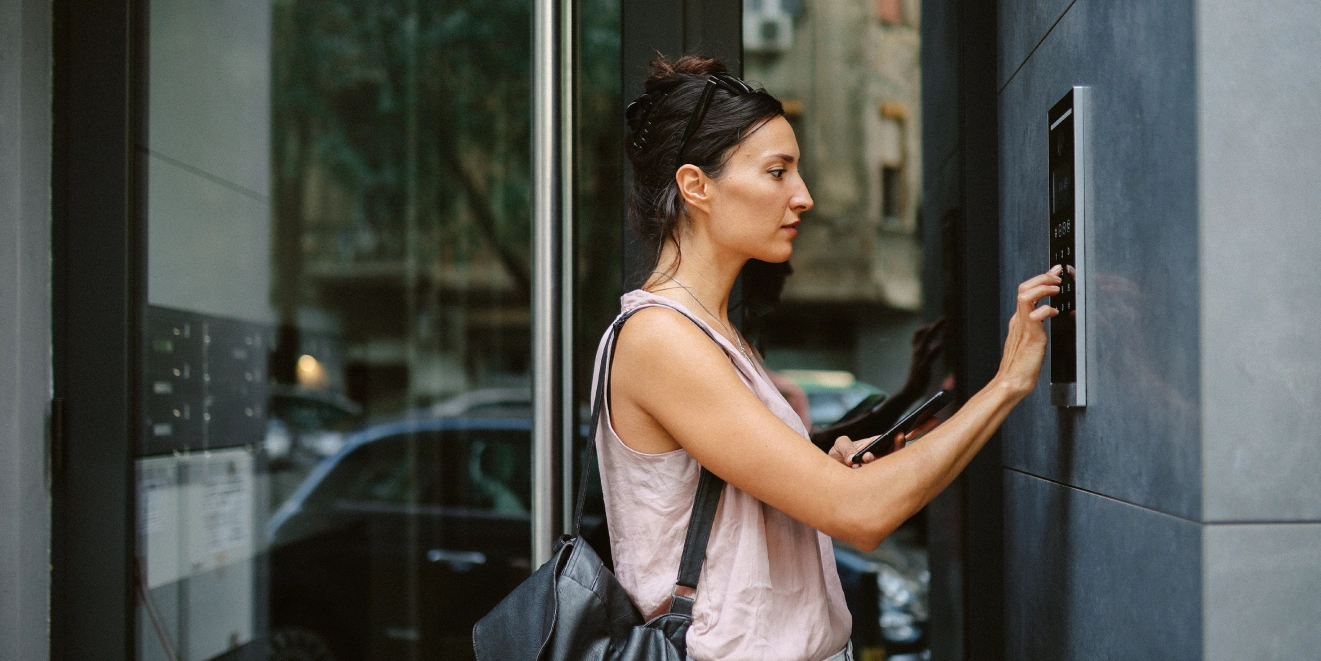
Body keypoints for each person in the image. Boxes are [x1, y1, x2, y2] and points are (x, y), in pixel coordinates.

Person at [594, 55, 1061, 661]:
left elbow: (769, 501)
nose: (804, 196)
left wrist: (827, 469)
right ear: (696, 186)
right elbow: (862, 517)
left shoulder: (714, 333)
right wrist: (1006, 384)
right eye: (777, 171)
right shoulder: (661, 338)